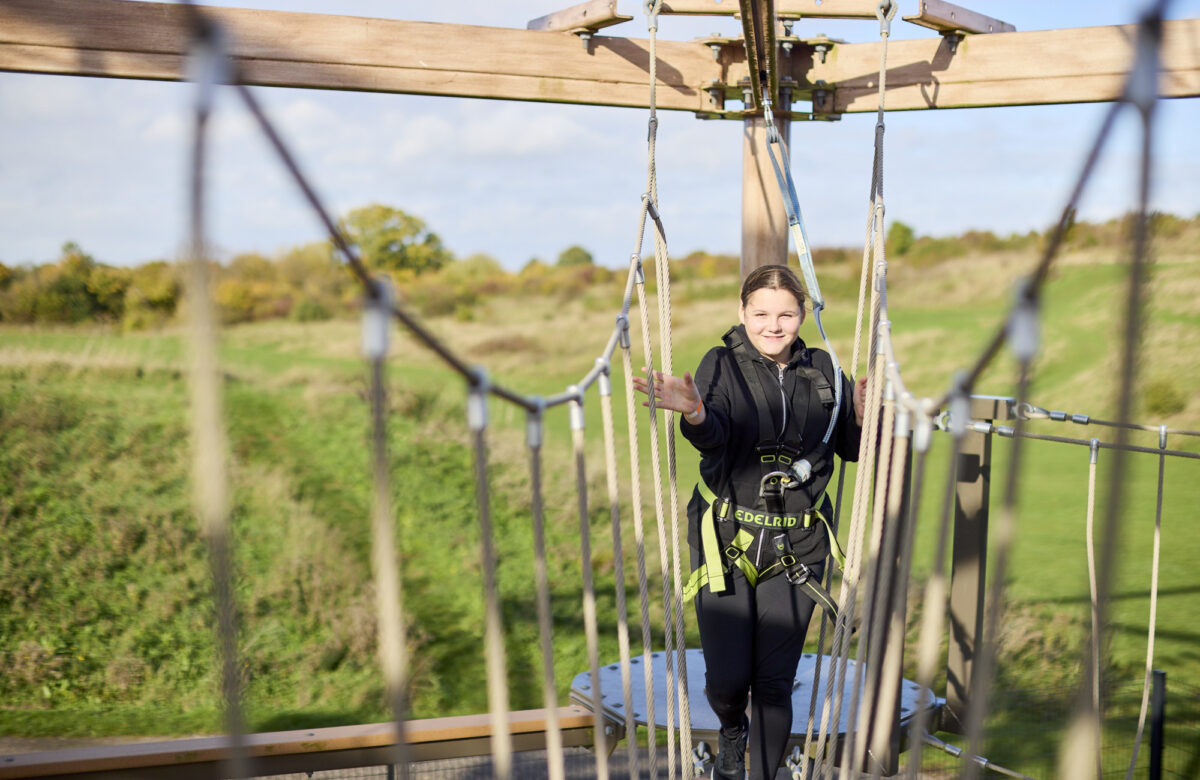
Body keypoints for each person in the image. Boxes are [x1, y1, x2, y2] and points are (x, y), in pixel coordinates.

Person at [634, 264, 867, 780]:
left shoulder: (825, 370)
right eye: (761, 313)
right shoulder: (721, 365)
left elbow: (847, 447)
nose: (774, 325)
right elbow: (714, 434)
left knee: (774, 682)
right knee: (728, 679)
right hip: (726, 539)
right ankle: (731, 730)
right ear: (743, 313)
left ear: (802, 315)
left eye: (786, 314)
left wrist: (862, 414)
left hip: (800, 544)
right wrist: (694, 412)